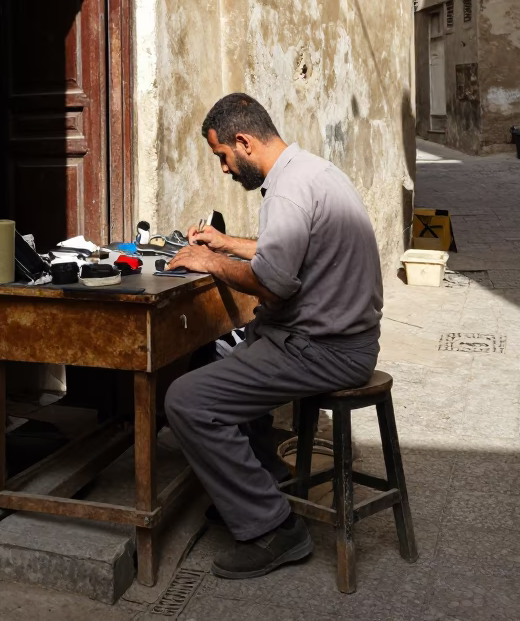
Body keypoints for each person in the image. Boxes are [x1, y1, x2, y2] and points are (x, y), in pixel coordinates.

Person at [164, 93, 383, 580]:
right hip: (342, 338)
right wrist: (228, 243)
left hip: (326, 349)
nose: (224, 169)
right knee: (215, 351)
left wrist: (212, 262)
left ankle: (274, 529)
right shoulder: (308, 171)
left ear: (243, 142)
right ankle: (260, 480)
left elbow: (273, 282)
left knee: (186, 400)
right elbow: (293, 245)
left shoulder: (285, 190)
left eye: (223, 157)